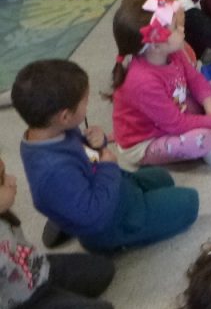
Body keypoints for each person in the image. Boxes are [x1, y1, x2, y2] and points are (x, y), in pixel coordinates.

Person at [12, 60, 199, 253]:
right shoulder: (53, 170)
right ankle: (116, 242)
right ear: (65, 116)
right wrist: (108, 167)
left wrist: (98, 143)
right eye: (85, 102)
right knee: (190, 202)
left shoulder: (51, 131)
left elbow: (87, 156)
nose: (87, 106)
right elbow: (95, 215)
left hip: (114, 187)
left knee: (162, 178)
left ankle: (70, 213)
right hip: (109, 222)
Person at [109, 0, 211, 168]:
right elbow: (176, 124)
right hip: (147, 140)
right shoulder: (143, 82)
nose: (182, 29)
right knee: (203, 138)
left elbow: (195, 79)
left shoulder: (173, 51)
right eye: (175, 28)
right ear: (155, 46)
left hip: (175, 110)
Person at [0, 152, 119, 309]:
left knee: (103, 269)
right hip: (20, 307)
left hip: (36, 271)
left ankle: (60, 305)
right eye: (2, 180)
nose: (12, 180)